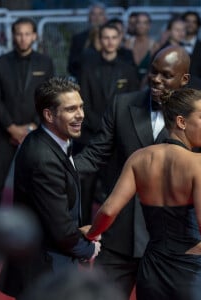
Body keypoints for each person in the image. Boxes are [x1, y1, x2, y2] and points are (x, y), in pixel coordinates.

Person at [74, 45, 201, 300]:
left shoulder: (198, 114)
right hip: (122, 240)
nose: (156, 79)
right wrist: (57, 169)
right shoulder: (122, 105)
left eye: (165, 75)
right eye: (153, 72)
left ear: (184, 79)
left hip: (175, 250)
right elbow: (94, 155)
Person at [81, 88, 201, 300]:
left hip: (152, 270)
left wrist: (93, 234)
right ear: (181, 122)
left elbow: (109, 210)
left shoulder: (138, 158)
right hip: (193, 270)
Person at [0, 77, 101, 299]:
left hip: (45, 261)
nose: (81, 114)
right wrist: (88, 249)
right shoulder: (43, 157)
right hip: (44, 270)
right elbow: (60, 230)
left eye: (81, 107)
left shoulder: (48, 140)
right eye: (71, 109)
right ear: (49, 115)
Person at [78, 22, 139, 223]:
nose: (110, 41)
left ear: (120, 40)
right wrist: (104, 129)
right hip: (91, 136)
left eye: (114, 37)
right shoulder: (87, 68)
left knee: (116, 188)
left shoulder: (129, 70)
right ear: (99, 40)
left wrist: (115, 131)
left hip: (119, 138)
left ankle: (115, 235)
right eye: (106, 37)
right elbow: (82, 103)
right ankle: (83, 231)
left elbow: (134, 104)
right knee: (86, 188)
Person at [0, 17, 54, 206]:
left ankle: (30, 229)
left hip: (35, 132)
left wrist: (32, 126)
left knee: (34, 184)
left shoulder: (45, 62)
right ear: (13, 35)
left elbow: (49, 96)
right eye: (19, 33)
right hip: (5, 132)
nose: (23, 38)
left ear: (34, 36)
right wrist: (12, 128)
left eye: (27, 34)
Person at [67, 2, 107, 81]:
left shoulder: (113, 38)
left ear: (105, 18)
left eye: (100, 14)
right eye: (93, 14)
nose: (97, 17)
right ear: (89, 17)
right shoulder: (78, 39)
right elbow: (71, 65)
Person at [181, 11, 201, 80]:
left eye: (194, 22)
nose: (190, 24)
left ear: (198, 26)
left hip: (198, 87)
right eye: (187, 21)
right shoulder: (174, 46)